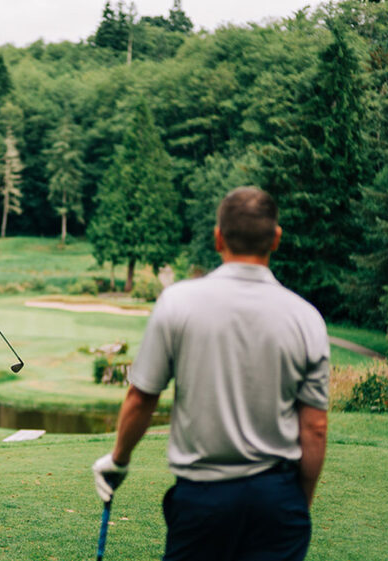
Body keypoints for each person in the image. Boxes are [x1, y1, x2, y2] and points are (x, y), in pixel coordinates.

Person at [92, 187, 330, 561]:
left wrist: (118, 460)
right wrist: (297, 504)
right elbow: (315, 427)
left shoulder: (178, 302)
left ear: (218, 237)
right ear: (276, 239)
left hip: (203, 500)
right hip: (278, 498)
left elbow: (141, 397)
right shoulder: (307, 318)